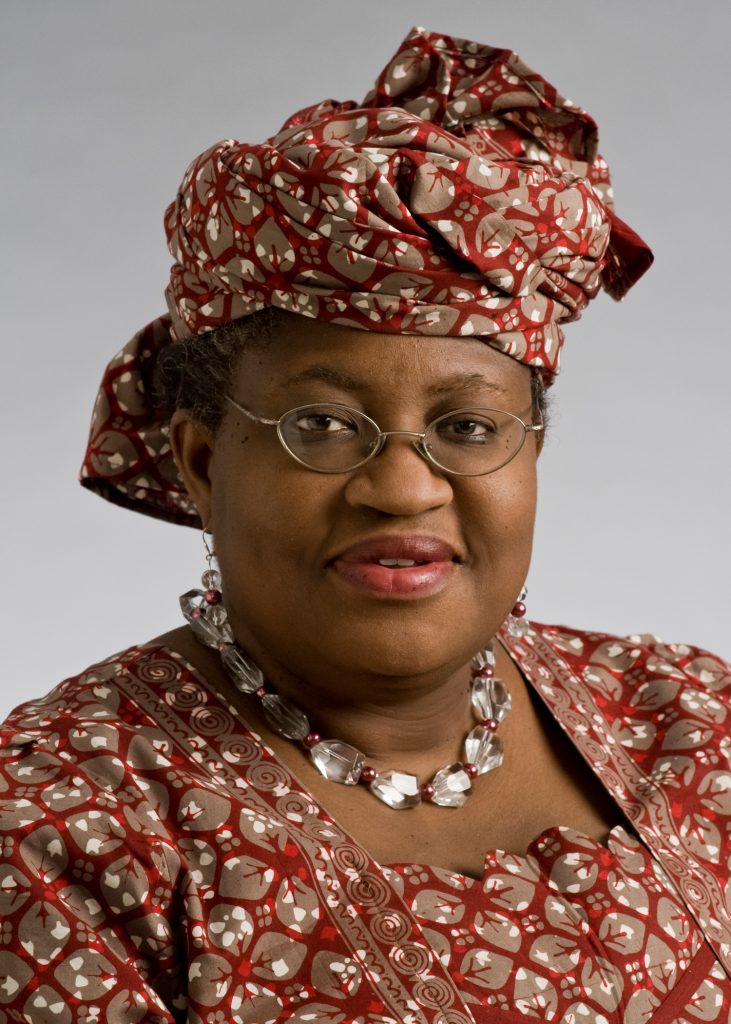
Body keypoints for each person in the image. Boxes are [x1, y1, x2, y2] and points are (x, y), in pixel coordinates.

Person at [1, 25, 729, 1024]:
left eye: (466, 426)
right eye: (322, 425)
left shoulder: (692, 726)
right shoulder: (64, 827)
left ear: (529, 453)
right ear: (202, 464)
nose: (401, 488)